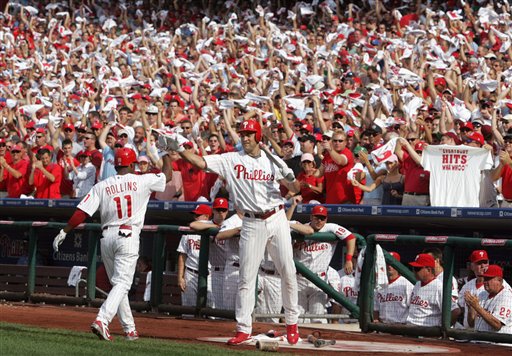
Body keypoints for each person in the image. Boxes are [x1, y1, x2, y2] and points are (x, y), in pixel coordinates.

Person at [166, 119, 301, 345]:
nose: (245, 137)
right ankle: (243, 328)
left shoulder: (273, 160)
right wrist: (180, 149)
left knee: (288, 270)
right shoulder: (230, 159)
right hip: (251, 221)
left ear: (258, 136)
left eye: (249, 133)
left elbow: (296, 190)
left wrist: (289, 176)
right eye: (242, 133)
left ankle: (292, 324)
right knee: (246, 277)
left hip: (276, 217)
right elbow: (199, 162)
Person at [52, 147, 172, 341]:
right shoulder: (141, 179)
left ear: (115, 165)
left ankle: (130, 330)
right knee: (123, 283)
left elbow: (82, 212)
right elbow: (167, 176)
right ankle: (102, 319)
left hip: (107, 237)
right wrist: (166, 153)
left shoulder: (102, 185)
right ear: (132, 164)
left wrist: (65, 231)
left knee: (118, 284)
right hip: (128, 234)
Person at [287, 202, 356, 323]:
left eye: (322, 218)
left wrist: (349, 259)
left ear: (326, 219)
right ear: (311, 217)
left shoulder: (330, 228)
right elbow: (284, 224)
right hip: (299, 279)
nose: (319, 220)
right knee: (296, 318)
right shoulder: (301, 227)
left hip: (319, 280)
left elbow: (351, 237)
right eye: (316, 217)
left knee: (317, 318)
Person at [188, 198, 230, 309]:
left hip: (230, 270)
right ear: (213, 211)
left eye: (223, 210)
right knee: (219, 307)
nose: (221, 213)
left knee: (231, 307)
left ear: (227, 211)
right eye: (218, 210)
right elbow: (193, 225)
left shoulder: (230, 223)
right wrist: (214, 227)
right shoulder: (208, 223)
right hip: (216, 270)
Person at [177, 204, 214, 308]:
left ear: (207, 216)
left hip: (210, 274)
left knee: (213, 309)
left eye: (198, 215)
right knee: (189, 309)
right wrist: (180, 277)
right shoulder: (188, 232)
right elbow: (182, 255)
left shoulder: (214, 231)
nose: (195, 217)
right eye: (194, 215)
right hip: (190, 272)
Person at [465, 265, 512, 334]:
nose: (485, 282)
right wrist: (470, 308)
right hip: (480, 340)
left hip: (498, 342)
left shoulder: (506, 296)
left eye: (488, 279)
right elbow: (471, 324)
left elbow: (497, 325)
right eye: (485, 279)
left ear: (499, 280)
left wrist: (477, 307)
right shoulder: (482, 294)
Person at [374, 252, 414, 324]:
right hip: (383, 326)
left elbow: (412, 308)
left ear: (398, 265)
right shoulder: (380, 284)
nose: (390, 266)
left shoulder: (407, 283)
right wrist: (376, 320)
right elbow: (376, 309)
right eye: (387, 263)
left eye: (392, 264)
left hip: (401, 326)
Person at [406, 253, 443, 327]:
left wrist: (442, 330)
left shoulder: (438, 287)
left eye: (417, 269)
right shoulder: (418, 284)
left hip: (427, 332)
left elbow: (454, 311)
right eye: (413, 268)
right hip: (411, 329)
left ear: (429, 270)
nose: (414, 271)